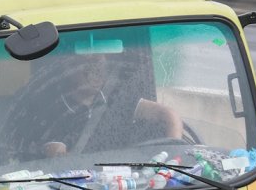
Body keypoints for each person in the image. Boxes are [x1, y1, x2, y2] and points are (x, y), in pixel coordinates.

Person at [41, 52, 182, 156]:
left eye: (99, 66)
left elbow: (168, 115)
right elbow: (60, 159)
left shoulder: (116, 97)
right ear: (68, 69)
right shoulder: (54, 113)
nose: (96, 73)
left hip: (129, 182)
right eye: (88, 68)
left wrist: (173, 157)